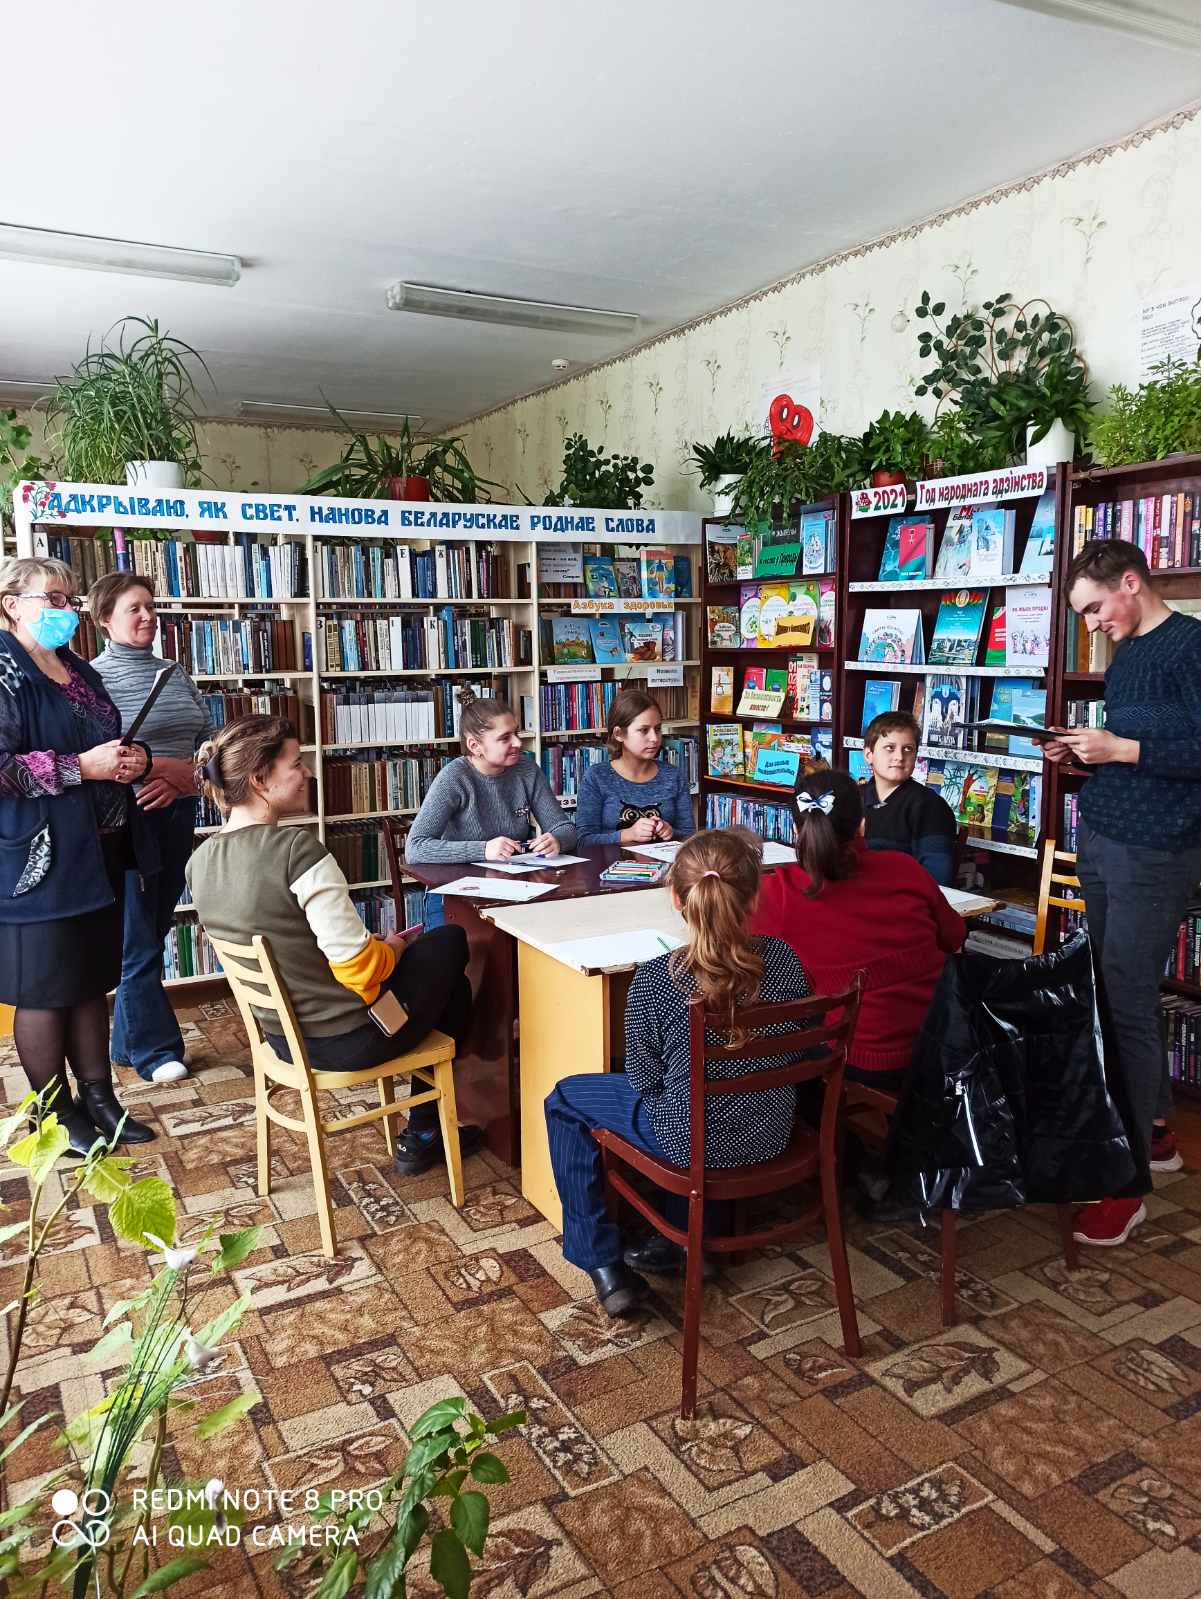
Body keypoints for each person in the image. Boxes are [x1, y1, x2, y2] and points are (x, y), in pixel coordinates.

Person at [185, 715, 480, 1177]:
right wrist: (393, 949)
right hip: (349, 1038)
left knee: (451, 987)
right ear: (260, 779)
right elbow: (360, 970)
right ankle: (426, 1128)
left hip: (283, 1040)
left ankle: (426, 1130)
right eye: (296, 764)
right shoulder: (297, 852)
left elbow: (295, 946)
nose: (307, 773)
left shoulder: (200, 860)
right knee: (450, 941)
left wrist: (374, 952)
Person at [544, 828, 811, 1316]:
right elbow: (801, 1047)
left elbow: (644, 1081)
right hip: (771, 1132)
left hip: (691, 1143)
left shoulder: (657, 978)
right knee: (696, 1098)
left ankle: (601, 1263)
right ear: (754, 897)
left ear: (675, 899)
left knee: (565, 1099)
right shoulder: (786, 960)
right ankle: (690, 1239)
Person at [1045, 538, 1201, 1246]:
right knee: (1110, 993)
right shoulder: (1128, 652)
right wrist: (1086, 749)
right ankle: (1157, 1132)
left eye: (1094, 608)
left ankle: (1125, 1180)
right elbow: (1134, 745)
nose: (1092, 623)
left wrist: (1123, 749)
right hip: (1105, 836)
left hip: (1157, 850)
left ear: (1131, 582)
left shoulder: (1190, 646)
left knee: (1126, 1002)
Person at [0, 555, 156, 1153]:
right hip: (37, 859)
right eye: (55, 599)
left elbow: (104, 737)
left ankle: (100, 1099)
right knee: (45, 988)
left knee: (91, 980)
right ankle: (55, 1115)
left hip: (98, 850)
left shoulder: (77, 668)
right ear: (13, 605)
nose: (68, 610)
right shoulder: (4, 671)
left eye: (71, 599)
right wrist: (79, 768)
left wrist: (131, 758)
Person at [750, 768, 966, 1093]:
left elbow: (737, 952)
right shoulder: (906, 869)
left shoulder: (777, 892)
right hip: (937, 1049)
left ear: (795, 830)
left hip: (854, 1059)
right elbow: (954, 936)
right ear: (862, 825)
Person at [89, 572, 211, 1084]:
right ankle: (155, 1051)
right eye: (134, 608)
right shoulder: (92, 680)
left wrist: (186, 780)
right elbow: (103, 756)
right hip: (130, 820)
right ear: (104, 619)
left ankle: (125, 1042)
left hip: (178, 813)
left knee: (154, 929)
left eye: (150, 606)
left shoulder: (174, 673)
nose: (147, 616)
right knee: (138, 935)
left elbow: (209, 740)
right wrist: (165, 769)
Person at [405, 693, 576, 864]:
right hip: (461, 876)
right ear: (475, 746)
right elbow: (415, 848)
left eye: (516, 733)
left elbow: (565, 828)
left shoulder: (527, 769)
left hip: (516, 874)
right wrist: (483, 850)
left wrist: (557, 840)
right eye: (505, 738)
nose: (517, 742)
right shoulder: (453, 777)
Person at [574, 688, 695, 849]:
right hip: (609, 863)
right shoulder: (597, 777)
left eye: (658, 729)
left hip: (665, 863)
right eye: (644, 730)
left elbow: (690, 837)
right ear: (619, 734)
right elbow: (583, 840)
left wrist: (671, 832)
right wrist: (627, 835)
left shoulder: (673, 775)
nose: (654, 738)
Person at [860, 711, 958, 885]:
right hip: (851, 893)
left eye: (908, 749)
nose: (899, 757)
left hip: (902, 897)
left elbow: (937, 880)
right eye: (890, 748)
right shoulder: (851, 799)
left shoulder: (930, 807)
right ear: (869, 755)